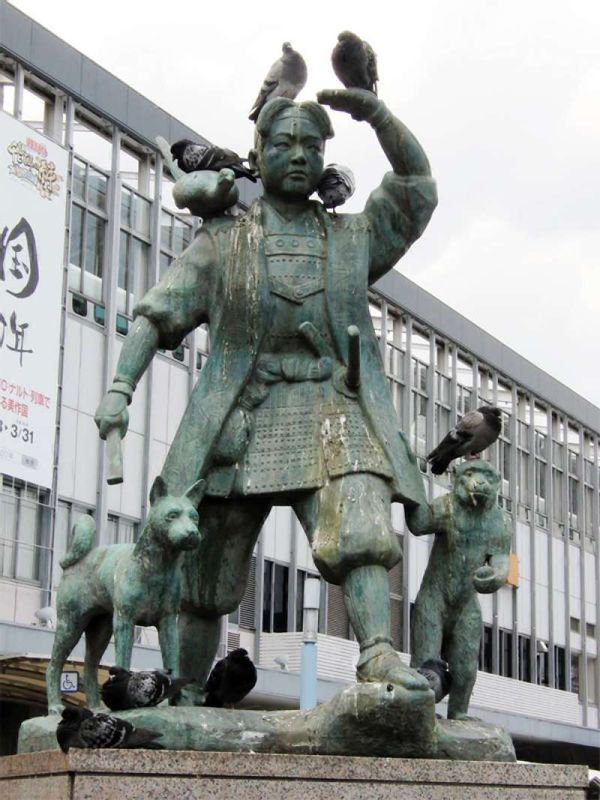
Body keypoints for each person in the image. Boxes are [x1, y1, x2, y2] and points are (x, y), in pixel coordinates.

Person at [95, 87, 437, 704]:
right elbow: (156, 315)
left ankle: (379, 655)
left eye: (313, 144)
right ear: (259, 151)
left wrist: (377, 112)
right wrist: (120, 388)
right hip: (241, 414)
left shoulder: (352, 239)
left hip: (333, 407)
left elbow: (416, 189)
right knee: (202, 565)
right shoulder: (225, 242)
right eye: (284, 143)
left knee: (360, 523)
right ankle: (186, 690)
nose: (300, 155)